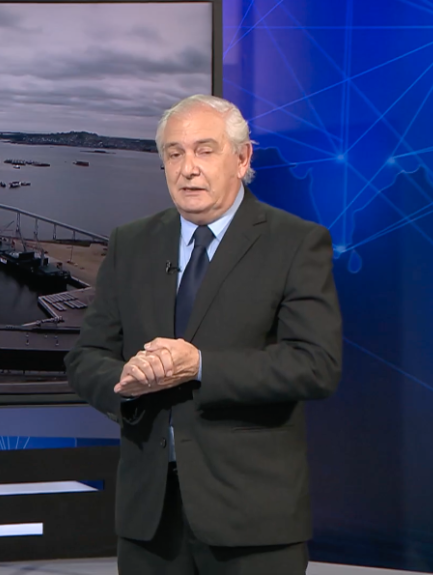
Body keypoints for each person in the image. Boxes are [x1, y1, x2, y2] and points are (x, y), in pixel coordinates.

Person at [64, 94, 342, 575]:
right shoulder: (131, 242)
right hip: (150, 520)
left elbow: (316, 364)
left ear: (243, 158)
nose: (187, 168)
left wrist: (201, 366)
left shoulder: (296, 243)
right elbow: (85, 357)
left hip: (252, 519)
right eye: (174, 153)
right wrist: (127, 382)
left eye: (204, 150)